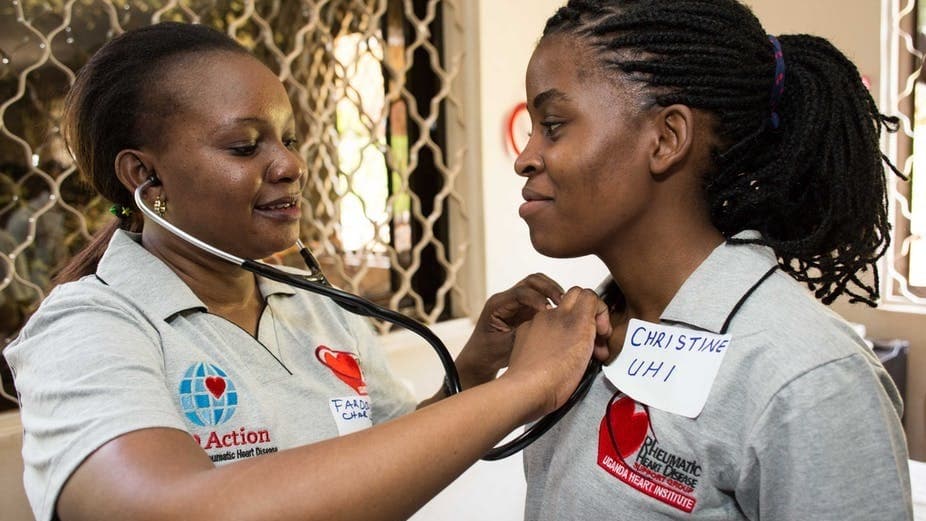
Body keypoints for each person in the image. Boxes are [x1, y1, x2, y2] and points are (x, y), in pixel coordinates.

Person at [2, 22, 614, 521]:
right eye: (246, 146)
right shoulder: (87, 329)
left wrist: (478, 367)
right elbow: (169, 509)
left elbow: (387, 449)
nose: (290, 164)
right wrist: (524, 388)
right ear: (146, 177)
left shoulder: (314, 305)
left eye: (288, 139)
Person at [514, 1, 913, 519]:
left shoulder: (809, 381)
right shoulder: (582, 333)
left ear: (666, 139)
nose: (524, 156)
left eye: (552, 124)